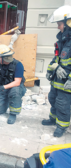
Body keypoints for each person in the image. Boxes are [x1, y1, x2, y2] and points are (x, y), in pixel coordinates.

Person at [42, 5, 71, 137]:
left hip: (67, 83)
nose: (58, 27)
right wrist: (50, 70)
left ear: (68, 23)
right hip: (57, 80)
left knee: (62, 105)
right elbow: (56, 58)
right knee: (53, 99)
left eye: (59, 24)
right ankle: (53, 119)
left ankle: (61, 126)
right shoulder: (62, 41)